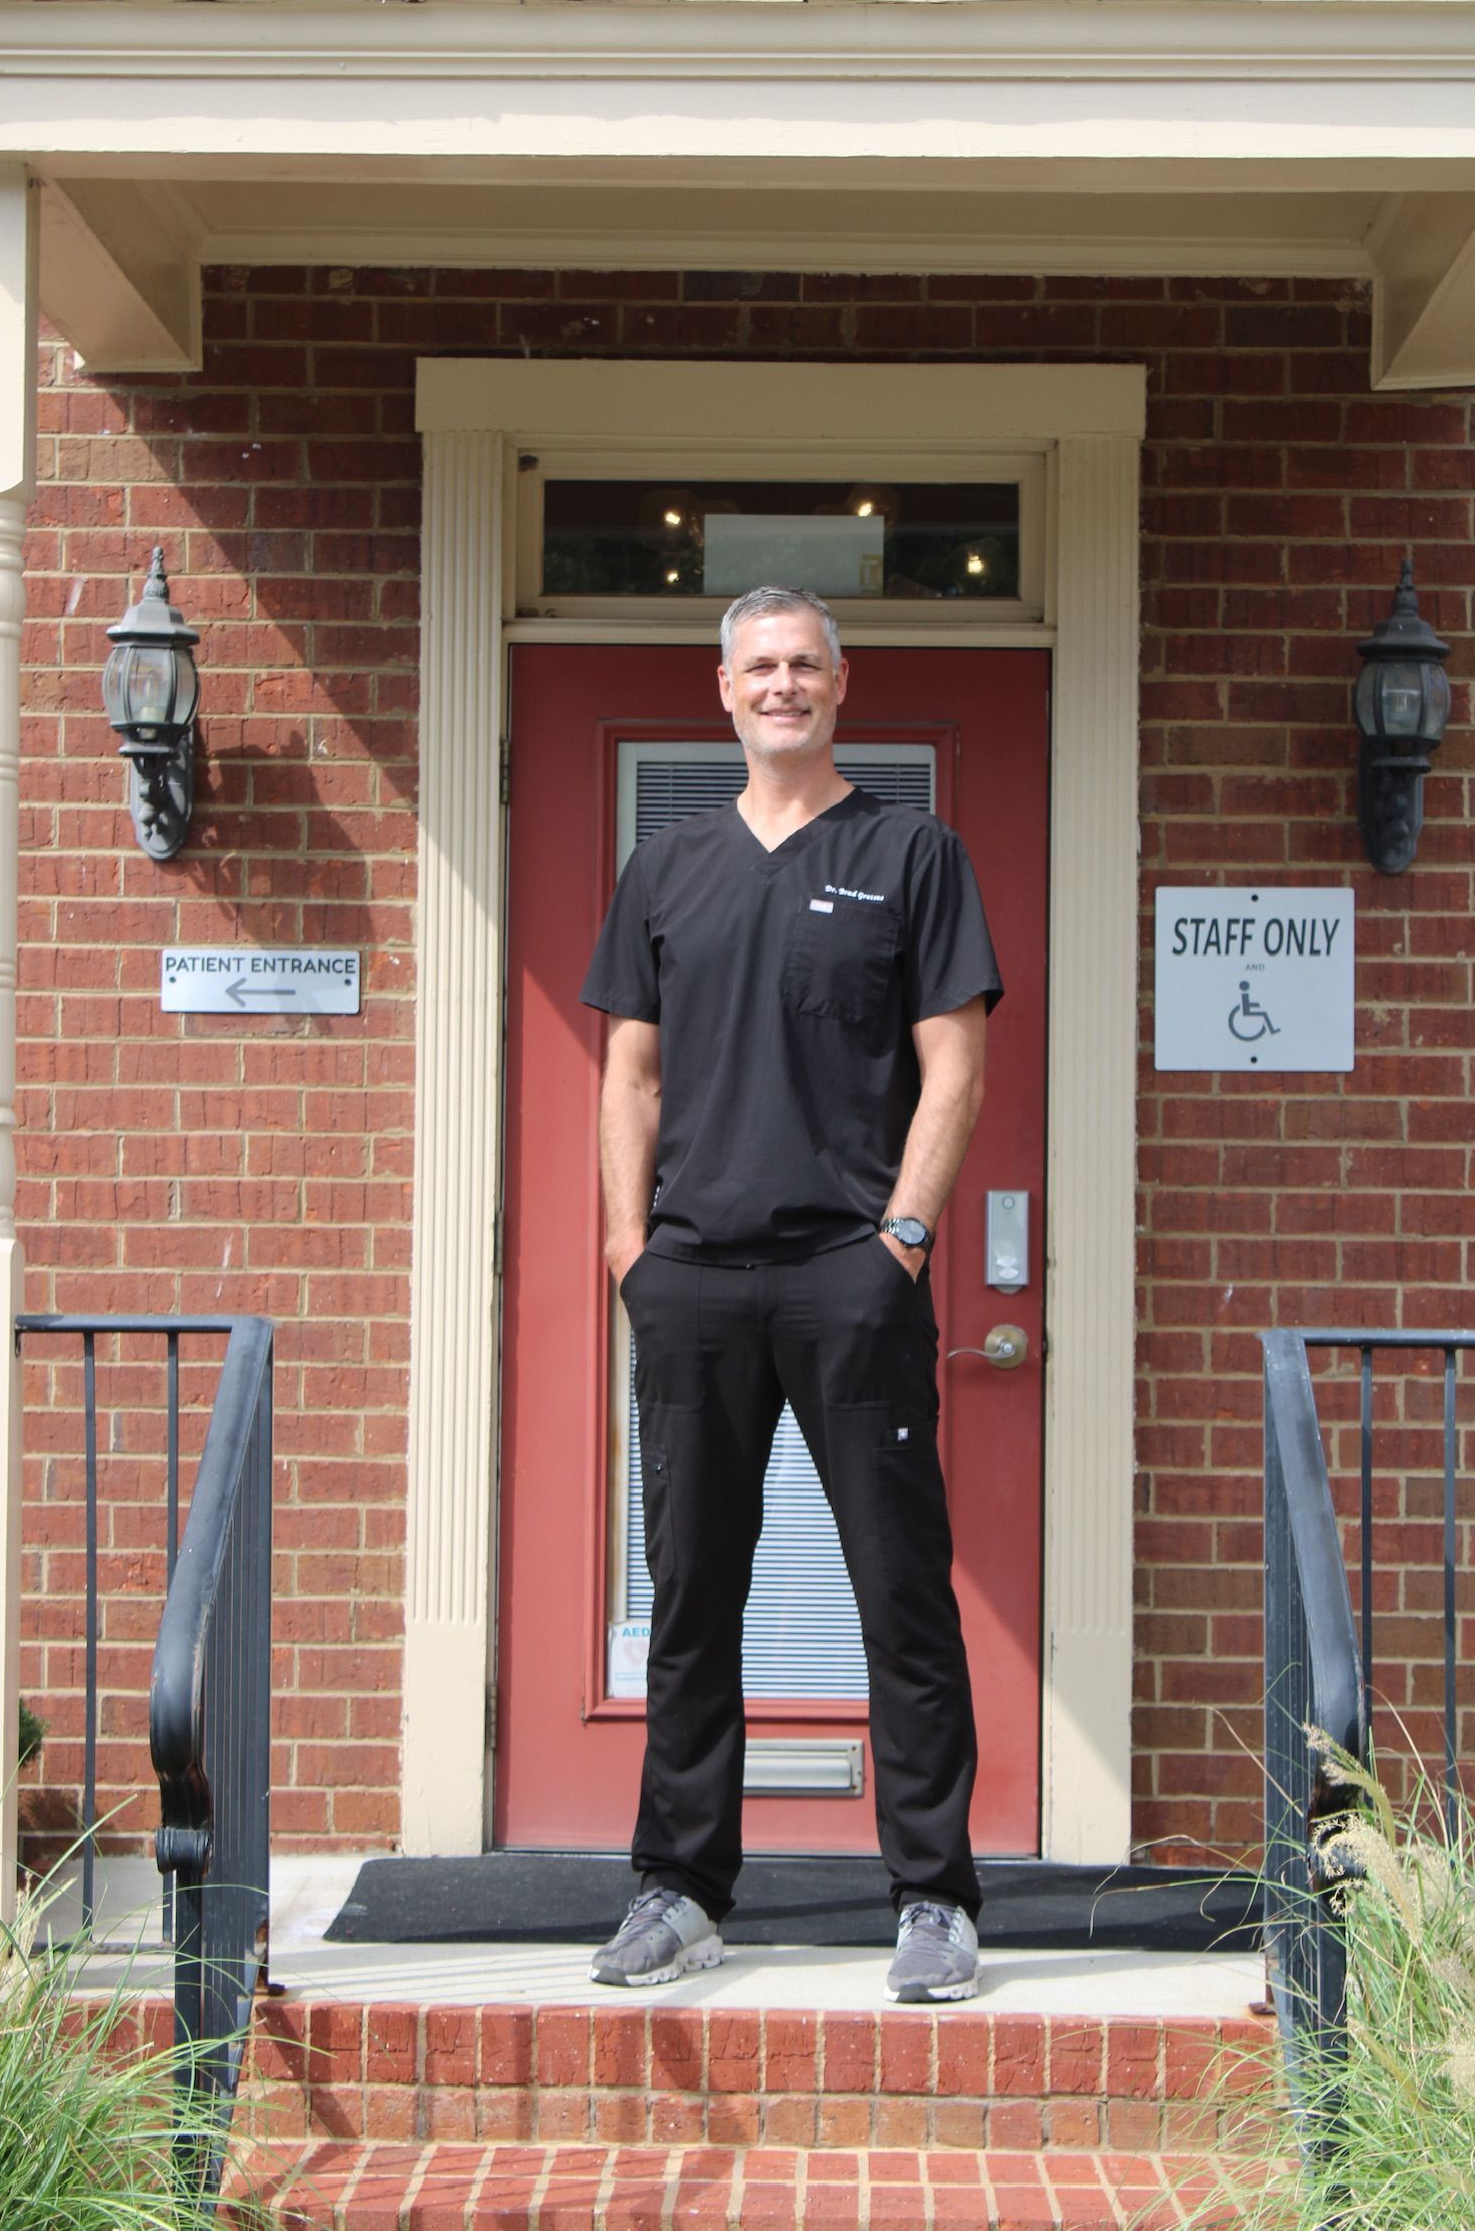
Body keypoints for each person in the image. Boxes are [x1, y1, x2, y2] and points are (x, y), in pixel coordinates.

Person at [580, 585, 1002, 2002]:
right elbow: (628, 1074)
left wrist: (902, 1239)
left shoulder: (910, 854)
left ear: (841, 682)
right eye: (758, 666)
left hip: (847, 1276)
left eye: (804, 665)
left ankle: (935, 1900)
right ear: (723, 689)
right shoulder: (667, 868)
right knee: (693, 1594)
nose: (782, 685)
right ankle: (681, 1887)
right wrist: (630, 1246)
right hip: (693, 1275)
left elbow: (956, 1067)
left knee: (900, 1595)